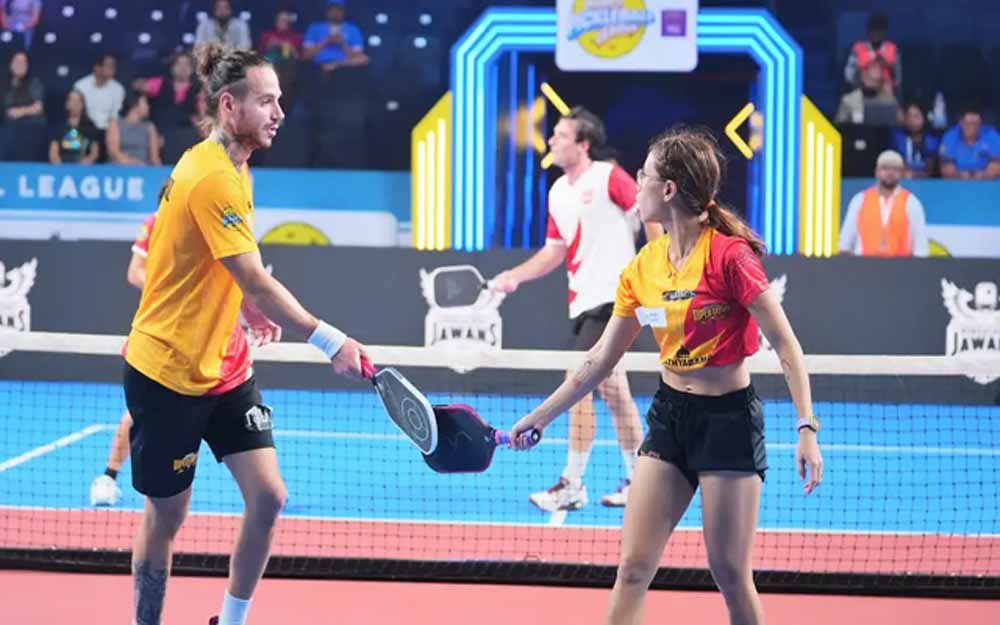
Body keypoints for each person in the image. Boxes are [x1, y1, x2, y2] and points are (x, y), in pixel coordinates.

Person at [510, 126, 823, 625]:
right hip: (670, 418)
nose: (637, 182)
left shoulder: (730, 256)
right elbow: (600, 358)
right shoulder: (643, 267)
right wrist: (541, 416)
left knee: (730, 575)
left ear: (669, 189)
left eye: (645, 174)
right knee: (632, 569)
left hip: (728, 423)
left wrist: (806, 427)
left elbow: (786, 344)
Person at [124, 43, 369, 625]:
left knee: (269, 497)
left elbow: (220, 271)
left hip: (227, 367)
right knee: (167, 516)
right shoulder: (210, 176)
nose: (279, 112)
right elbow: (255, 279)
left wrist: (242, 313)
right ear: (229, 106)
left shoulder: (236, 167)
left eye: (279, 100)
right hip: (169, 374)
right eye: (266, 101)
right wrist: (330, 340)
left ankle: (230, 621)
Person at [493, 107, 663, 510]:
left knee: (579, 382)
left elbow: (651, 213)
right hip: (584, 302)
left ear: (583, 144)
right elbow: (554, 252)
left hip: (616, 296)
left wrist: (659, 265)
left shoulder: (608, 176)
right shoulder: (558, 192)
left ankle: (572, 483)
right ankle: (639, 481)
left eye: (561, 135)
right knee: (615, 392)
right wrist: (515, 276)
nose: (552, 140)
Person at [839, 150, 929, 257]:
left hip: (901, 265)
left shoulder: (911, 202)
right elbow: (845, 243)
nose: (890, 173)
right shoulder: (860, 200)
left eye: (895, 169)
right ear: (876, 171)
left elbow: (921, 248)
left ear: (902, 173)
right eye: (885, 168)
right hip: (864, 264)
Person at [0, 49, 45, 161]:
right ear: (11, 63)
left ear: (27, 65)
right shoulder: (3, 82)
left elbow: (38, 107)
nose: (20, 64)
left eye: (23, 62)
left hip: (29, 130)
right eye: (17, 61)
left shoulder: (34, 82)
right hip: (5, 129)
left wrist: (20, 112)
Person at [302, 0, 369, 73]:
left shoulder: (352, 29)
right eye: (332, 10)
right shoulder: (315, 27)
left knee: (364, 58)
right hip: (319, 64)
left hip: (344, 64)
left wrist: (342, 44)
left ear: (343, 12)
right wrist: (326, 41)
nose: (336, 13)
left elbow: (357, 55)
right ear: (327, 12)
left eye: (339, 10)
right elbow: (306, 55)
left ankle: (334, 65)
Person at [844, 11, 900, 93]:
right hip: (862, 94)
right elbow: (848, 76)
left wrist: (887, 65)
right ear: (868, 31)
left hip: (885, 94)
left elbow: (898, 78)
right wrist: (863, 69)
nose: (876, 33)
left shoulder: (892, 49)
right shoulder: (857, 49)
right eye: (873, 29)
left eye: (880, 29)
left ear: (885, 31)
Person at [939, 106, 1000, 180]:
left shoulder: (991, 134)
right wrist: (963, 177)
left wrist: (979, 176)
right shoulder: (951, 136)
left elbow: (996, 167)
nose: (971, 127)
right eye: (967, 124)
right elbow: (946, 169)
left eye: (975, 124)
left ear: (980, 124)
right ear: (961, 123)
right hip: (957, 183)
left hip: (985, 182)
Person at [835, 61, 900, 126]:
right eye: (870, 80)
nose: (876, 72)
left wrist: (891, 97)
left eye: (876, 82)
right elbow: (839, 126)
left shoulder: (889, 101)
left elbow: (899, 124)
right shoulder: (849, 100)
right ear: (863, 76)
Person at [106, 90, 162, 166]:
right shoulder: (115, 124)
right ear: (135, 105)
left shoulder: (150, 127)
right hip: (119, 168)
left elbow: (155, 158)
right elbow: (114, 153)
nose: (148, 107)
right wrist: (135, 163)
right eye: (145, 103)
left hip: (144, 169)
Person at [47, 89, 99, 164]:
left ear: (82, 105)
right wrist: (59, 165)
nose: (75, 104)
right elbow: (53, 152)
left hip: (82, 167)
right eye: (72, 101)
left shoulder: (90, 126)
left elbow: (94, 153)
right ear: (67, 104)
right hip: (63, 166)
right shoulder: (60, 126)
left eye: (77, 101)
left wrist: (84, 164)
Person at [890, 101, 939, 178]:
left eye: (916, 116)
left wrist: (914, 175)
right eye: (909, 116)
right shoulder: (897, 138)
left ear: (924, 118)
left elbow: (930, 171)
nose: (912, 120)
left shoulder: (932, 140)